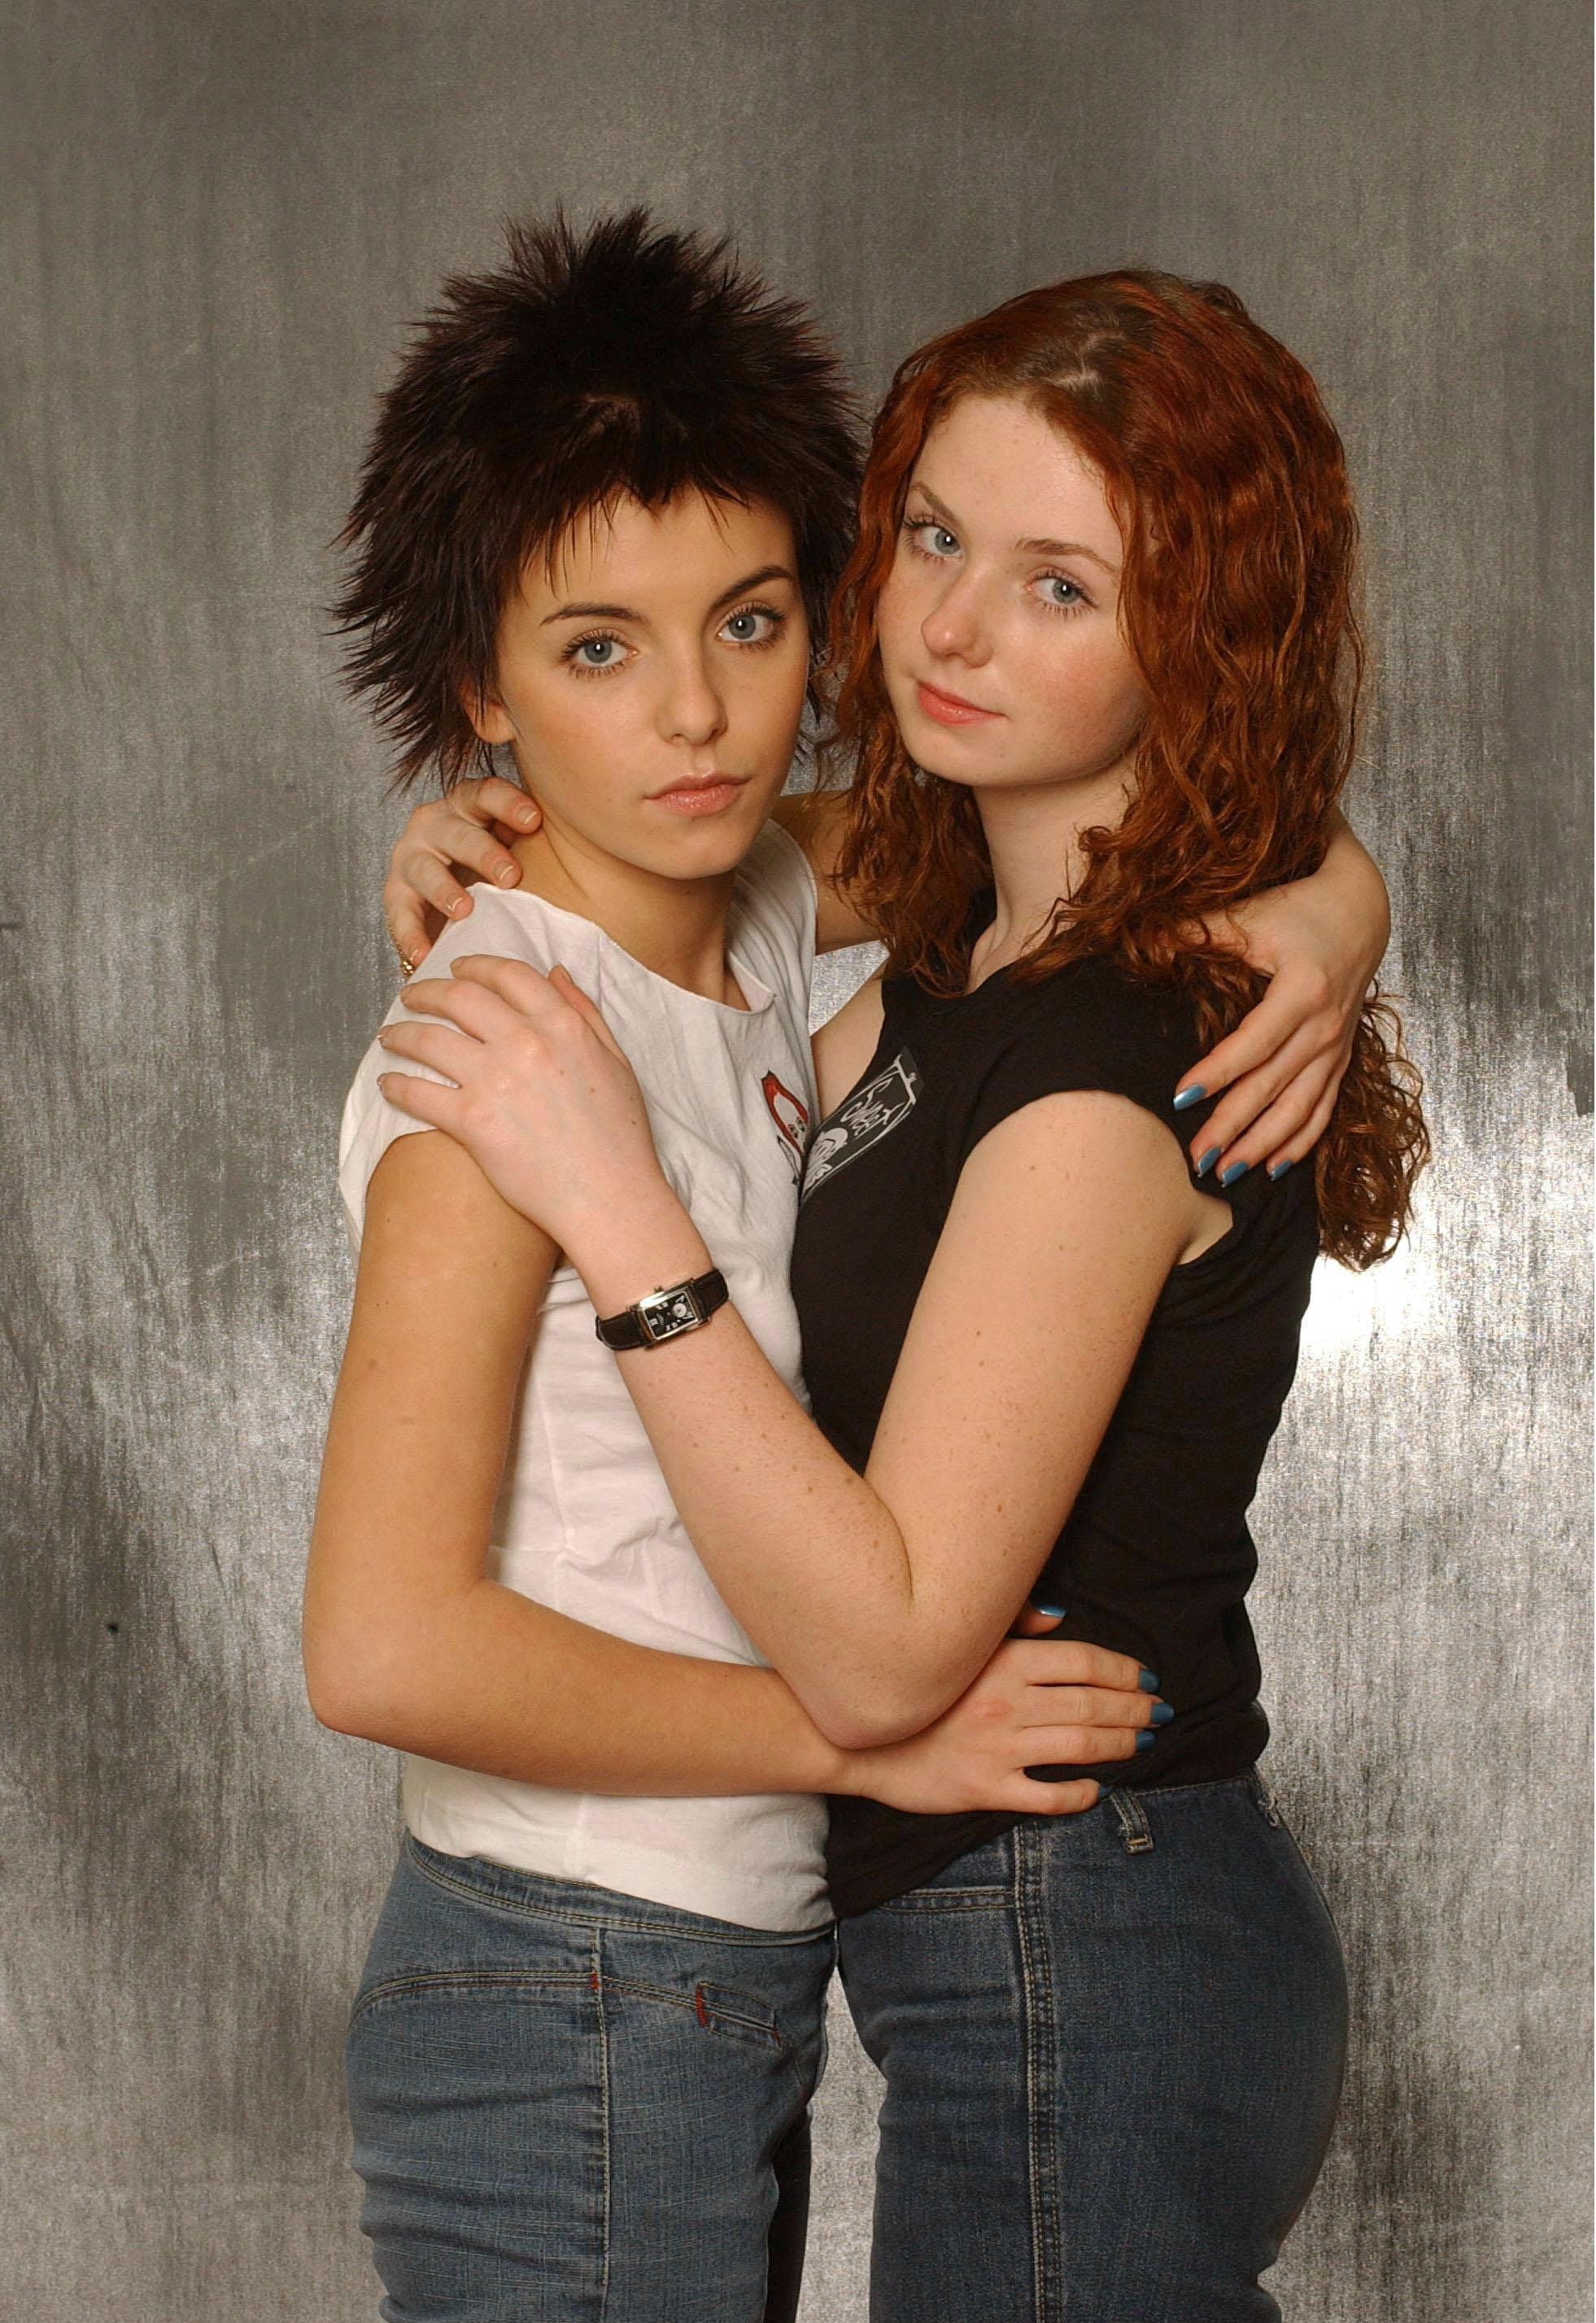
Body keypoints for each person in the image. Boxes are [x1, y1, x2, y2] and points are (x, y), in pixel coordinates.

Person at [377, 267, 1427, 2321]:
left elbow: (881, 1659)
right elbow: (661, 836)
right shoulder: (953, 948)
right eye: (936, 537)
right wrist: (469, 830)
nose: (948, 630)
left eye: (1061, 586)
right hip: (1007, 1936)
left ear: (1197, 639)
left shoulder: (1113, 1056)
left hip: (1086, 1918)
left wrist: (621, 1208)